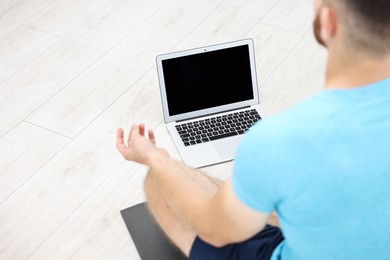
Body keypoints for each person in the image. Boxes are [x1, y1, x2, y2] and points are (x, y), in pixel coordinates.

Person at [116, 0, 390, 258]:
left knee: (157, 183)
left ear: (329, 21)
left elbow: (215, 231)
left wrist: (156, 158)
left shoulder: (280, 140)